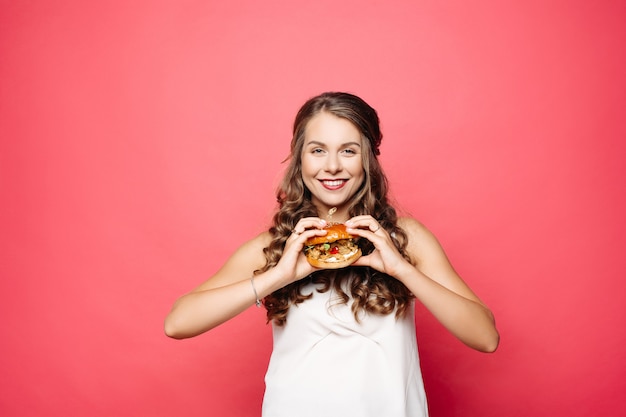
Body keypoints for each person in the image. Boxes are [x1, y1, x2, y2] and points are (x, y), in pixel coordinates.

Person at [164, 92, 499, 417]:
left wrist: (402, 270)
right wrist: (279, 276)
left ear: (368, 157)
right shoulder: (276, 244)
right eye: (318, 150)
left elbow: (485, 338)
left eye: (348, 151)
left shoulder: (405, 238)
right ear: (300, 157)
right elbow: (178, 323)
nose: (333, 166)